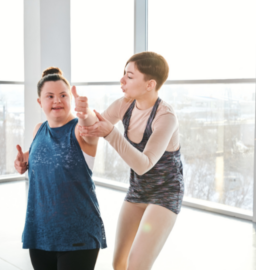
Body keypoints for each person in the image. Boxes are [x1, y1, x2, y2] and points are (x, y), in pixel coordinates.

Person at [78, 51, 184, 270]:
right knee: (119, 264)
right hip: (137, 190)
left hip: (165, 194)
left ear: (149, 84)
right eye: (123, 74)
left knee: (136, 265)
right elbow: (92, 129)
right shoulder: (125, 104)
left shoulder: (165, 116)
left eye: (129, 76)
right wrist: (83, 112)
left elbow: (144, 165)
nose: (122, 80)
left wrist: (111, 134)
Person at [14, 67, 106, 270]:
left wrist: (86, 112)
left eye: (63, 95)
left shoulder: (80, 130)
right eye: (50, 96)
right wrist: (22, 162)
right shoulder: (39, 129)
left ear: (71, 100)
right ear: (40, 102)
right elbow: (38, 158)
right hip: (40, 232)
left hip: (78, 234)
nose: (57, 100)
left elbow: (90, 127)